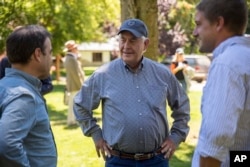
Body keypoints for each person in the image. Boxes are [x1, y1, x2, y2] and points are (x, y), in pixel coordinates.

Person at [74, 18, 190, 167]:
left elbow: (182, 107)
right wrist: (96, 135)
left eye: (133, 40)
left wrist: (175, 137)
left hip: (156, 161)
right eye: (123, 40)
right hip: (118, 161)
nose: (126, 46)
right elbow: (80, 105)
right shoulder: (103, 75)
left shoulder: (162, 74)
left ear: (146, 44)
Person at [191, 0, 250, 167]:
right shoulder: (245, 58)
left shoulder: (227, 64)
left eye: (198, 24)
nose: (195, 33)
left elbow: (216, 139)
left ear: (218, 23)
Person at [0, 25, 57, 166]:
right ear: (38, 54)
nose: (52, 58)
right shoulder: (24, 96)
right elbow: (6, 144)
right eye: (49, 53)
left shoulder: (4, 85)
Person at [63, 40, 85, 126]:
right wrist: (81, 86)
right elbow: (75, 74)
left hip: (74, 85)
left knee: (74, 103)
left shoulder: (72, 58)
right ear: (72, 49)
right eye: (75, 48)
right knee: (73, 104)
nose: (77, 49)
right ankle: (71, 121)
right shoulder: (71, 59)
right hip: (75, 85)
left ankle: (74, 120)